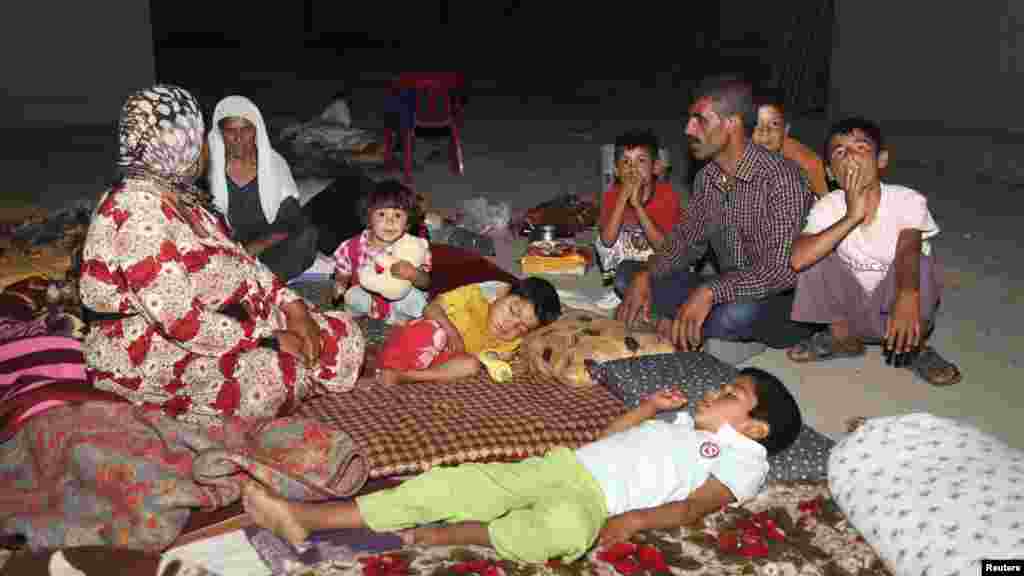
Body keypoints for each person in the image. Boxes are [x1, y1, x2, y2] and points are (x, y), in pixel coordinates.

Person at [243, 367, 802, 564]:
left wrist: (632, 522)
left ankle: (464, 534)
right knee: (453, 483)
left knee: (565, 532)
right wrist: (646, 410)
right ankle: (308, 518)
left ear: (756, 429)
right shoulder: (677, 424)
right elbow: (606, 440)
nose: (715, 392)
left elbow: (694, 508)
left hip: (596, 501)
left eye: (732, 394)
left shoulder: (744, 460)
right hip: (563, 465)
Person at [79, 85, 366, 425]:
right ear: (176, 143)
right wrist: (268, 340)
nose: (206, 147)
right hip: (150, 348)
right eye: (201, 137)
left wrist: (294, 308)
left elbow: (244, 260)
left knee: (344, 336)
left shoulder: (182, 196)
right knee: (270, 379)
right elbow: (180, 322)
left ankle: (296, 368)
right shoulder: (136, 213)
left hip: (229, 318)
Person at [617, 74, 815, 352]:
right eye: (690, 119)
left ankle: (681, 325)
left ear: (732, 124)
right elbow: (685, 242)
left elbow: (780, 271)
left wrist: (710, 291)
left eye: (700, 120)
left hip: (778, 299)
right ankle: (697, 329)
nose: (688, 129)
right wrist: (647, 274)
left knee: (738, 313)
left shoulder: (783, 178)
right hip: (726, 287)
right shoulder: (707, 178)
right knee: (626, 275)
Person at [788, 117, 961, 386]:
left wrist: (907, 296)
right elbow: (799, 260)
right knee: (816, 253)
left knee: (921, 263)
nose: (851, 156)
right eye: (840, 152)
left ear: (881, 160)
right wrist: (852, 216)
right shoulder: (828, 206)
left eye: (861, 148)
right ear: (831, 172)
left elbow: (908, 250)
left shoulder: (907, 199)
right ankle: (841, 340)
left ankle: (913, 348)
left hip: (897, 313)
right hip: (848, 317)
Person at [207, 95, 319, 281]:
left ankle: (253, 280)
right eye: (230, 130)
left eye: (246, 129)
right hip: (226, 243)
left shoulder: (274, 164)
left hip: (267, 243)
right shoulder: (209, 168)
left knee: (306, 236)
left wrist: (255, 247)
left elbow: (291, 220)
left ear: (256, 130)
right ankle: (247, 279)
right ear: (220, 133)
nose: (238, 138)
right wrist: (230, 249)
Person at [374, 277, 561, 385]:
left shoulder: (511, 343)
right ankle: (389, 368)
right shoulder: (474, 297)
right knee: (435, 332)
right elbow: (430, 308)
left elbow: (497, 359)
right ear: (502, 294)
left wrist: (504, 362)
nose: (509, 324)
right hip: (420, 339)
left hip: (440, 361)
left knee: (471, 365)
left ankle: (406, 376)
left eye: (521, 327)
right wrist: (452, 333)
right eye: (513, 311)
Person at [596, 129, 683, 298]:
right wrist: (622, 199)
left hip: (658, 263)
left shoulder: (668, 196)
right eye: (625, 161)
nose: (632, 168)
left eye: (641, 160)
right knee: (601, 243)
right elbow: (607, 241)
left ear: (656, 167)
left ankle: (650, 292)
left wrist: (637, 206)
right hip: (625, 263)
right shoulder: (612, 195)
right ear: (616, 170)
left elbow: (664, 248)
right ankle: (621, 285)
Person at [332, 180, 432, 325]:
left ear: (407, 223)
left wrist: (414, 274)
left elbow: (426, 282)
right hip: (368, 296)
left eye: (397, 215)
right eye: (382, 214)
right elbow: (343, 272)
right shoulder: (351, 246)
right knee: (352, 297)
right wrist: (340, 283)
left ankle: (406, 320)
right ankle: (361, 317)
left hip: (400, 299)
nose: (390, 222)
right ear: (368, 217)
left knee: (416, 298)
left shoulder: (413, 246)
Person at [751, 90, 831, 198]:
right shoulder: (741, 153)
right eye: (758, 124)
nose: (765, 132)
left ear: (786, 130)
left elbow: (828, 201)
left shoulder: (806, 163)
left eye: (774, 124)